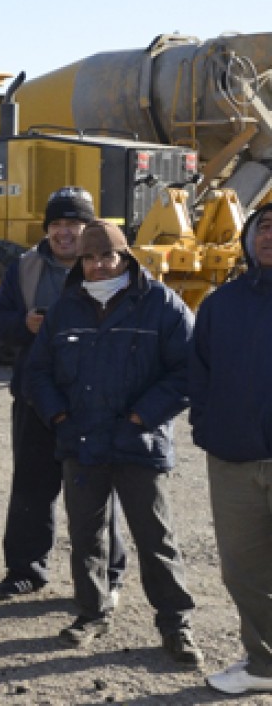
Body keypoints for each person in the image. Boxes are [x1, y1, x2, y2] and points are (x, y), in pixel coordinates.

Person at [26, 220, 202, 667]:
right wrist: (60, 416)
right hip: (82, 442)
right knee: (86, 535)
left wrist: (144, 415)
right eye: (89, 258)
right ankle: (91, 612)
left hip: (138, 443)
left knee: (155, 537)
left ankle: (175, 622)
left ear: (125, 258)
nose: (99, 266)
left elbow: (187, 370)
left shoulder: (160, 304)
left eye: (107, 257)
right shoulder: (66, 308)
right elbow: (38, 371)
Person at [0, 187, 128, 599]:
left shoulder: (111, 266)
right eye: (57, 224)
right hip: (35, 398)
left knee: (98, 491)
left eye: (74, 224)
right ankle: (25, 570)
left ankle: (107, 576)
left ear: (90, 228)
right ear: (46, 228)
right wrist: (21, 324)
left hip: (93, 401)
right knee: (31, 485)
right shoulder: (24, 267)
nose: (65, 233)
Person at [189, 202, 272, 695]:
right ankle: (264, 665)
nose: (269, 238)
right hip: (234, 461)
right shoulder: (222, 304)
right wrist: (209, 427)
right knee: (243, 573)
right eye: (264, 229)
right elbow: (198, 373)